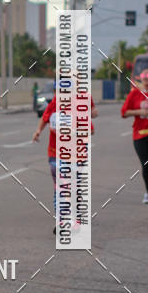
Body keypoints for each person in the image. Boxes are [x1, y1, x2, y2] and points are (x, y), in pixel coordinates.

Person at [32, 79, 98, 232]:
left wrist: (75, 132)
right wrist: (38, 131)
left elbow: (91, 130)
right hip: (55, 153)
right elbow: (45, 118)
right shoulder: (54, 104)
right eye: (58, 91)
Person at [121, 67, 148, 203]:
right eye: (143, 75)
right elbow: (124, 112)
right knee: (145, 165)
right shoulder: (135, 93)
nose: (145, 78)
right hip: (139, 134)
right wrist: (139, 112)